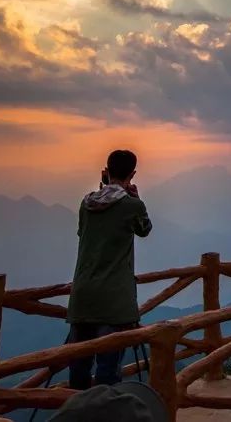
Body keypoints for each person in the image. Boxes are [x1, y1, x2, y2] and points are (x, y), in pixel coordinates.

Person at [66, 149, 152, 390]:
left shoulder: (86, 204)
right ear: (132, 174)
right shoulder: (132, 205)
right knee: (108, 374)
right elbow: (145, 229)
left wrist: (109, 187)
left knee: (79, 370)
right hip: (114, 301)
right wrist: (134, 196)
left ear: (106, 171)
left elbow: (84, 233)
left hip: (82, 297)